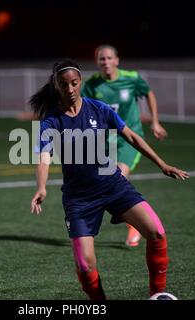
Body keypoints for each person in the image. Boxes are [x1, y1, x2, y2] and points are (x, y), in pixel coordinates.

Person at [29, 59, 189, 300]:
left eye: (74, 83)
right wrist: (41, 187)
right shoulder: (51, 121)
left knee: (156, 231)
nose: (70, 89)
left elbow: (132, 137)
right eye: (64, 85)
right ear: (57, 86)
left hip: (113, 185)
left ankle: (158, 294)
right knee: (85, 265)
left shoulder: (99, 109)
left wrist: (161, 163)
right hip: (79, 199)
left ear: (80, 82)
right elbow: (43, 157)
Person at [82, 44, 168, 247]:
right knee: (103, 181)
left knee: (119, 174)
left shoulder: (132, 78)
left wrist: (155, 121)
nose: (106, 62)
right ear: (97, 62)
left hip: (130, 138)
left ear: (117, 60)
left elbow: (149, 93)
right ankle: (131, 220)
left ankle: (133, 219)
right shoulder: (91, 84)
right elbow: (83, 108)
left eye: (109, 58)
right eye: (102, 59)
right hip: (105, 140)